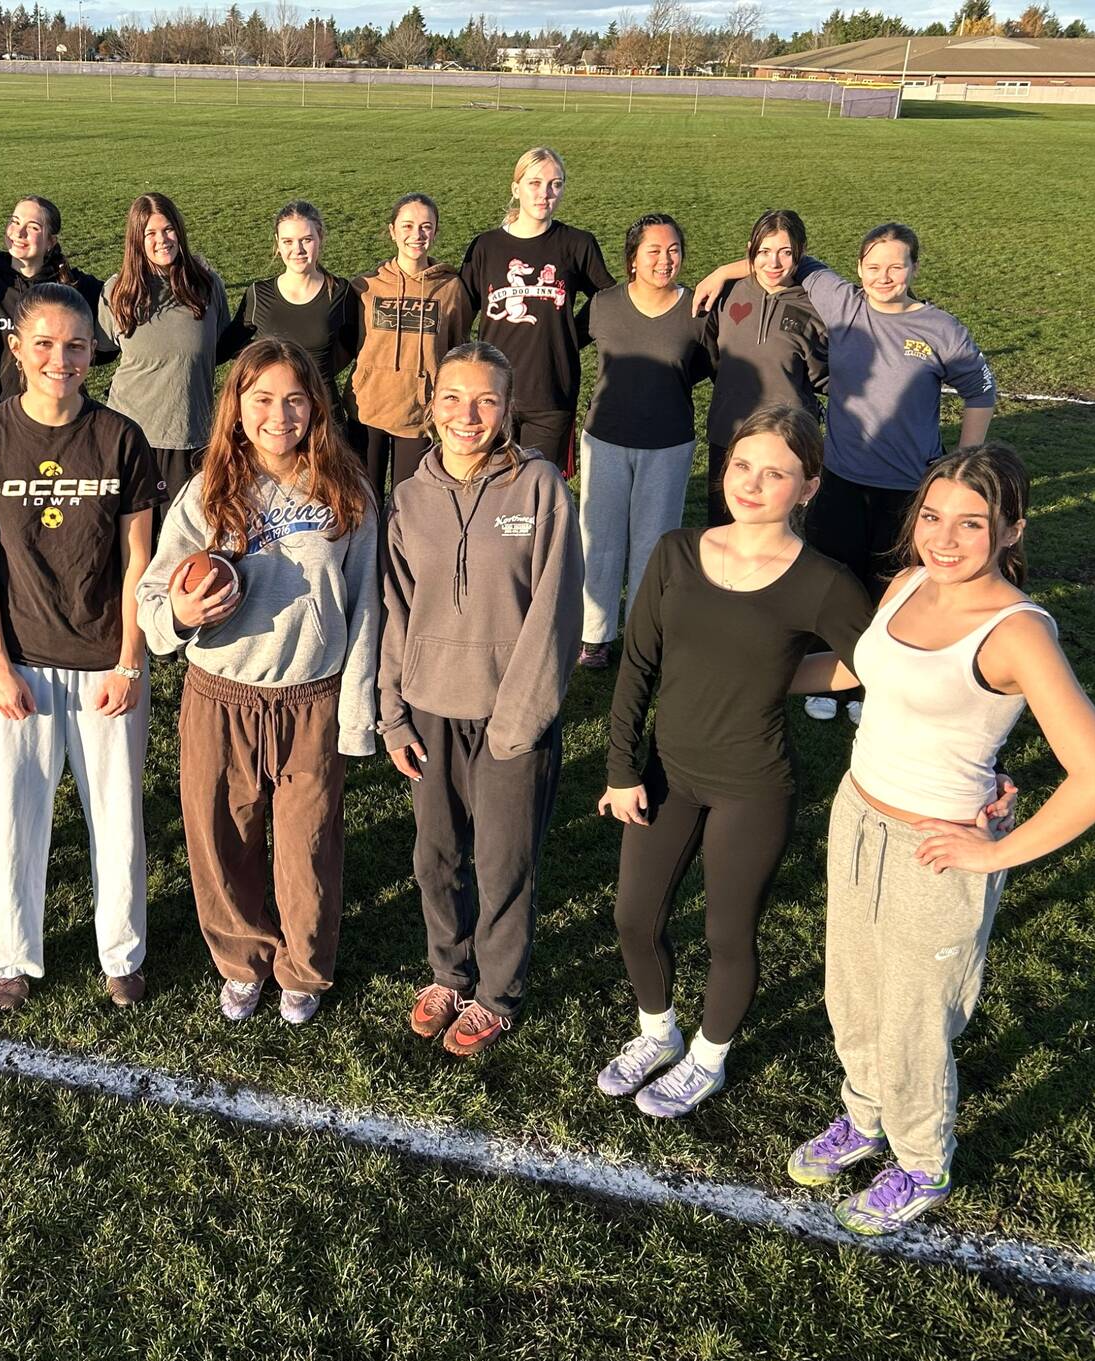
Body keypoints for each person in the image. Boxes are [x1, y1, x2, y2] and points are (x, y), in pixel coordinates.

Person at [784, 443, 1095, 1235]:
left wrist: (992, 853)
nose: (944, 538)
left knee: (913, 1015)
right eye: (932, 517)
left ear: (1011, 532)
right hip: (857, 813)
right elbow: (862, 669)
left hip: (936, 845)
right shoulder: (908, 583)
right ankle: (864, 1117)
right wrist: (746, 675)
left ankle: (920, 1161)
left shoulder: (1017, 633)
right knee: (852, 990)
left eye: (971, 524)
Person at [595, 405, 872, 1119]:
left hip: (754, 784)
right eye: (742, 466)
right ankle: (657, 1033)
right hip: (666, 772)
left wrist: (779, 675)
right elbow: (637, 669)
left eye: (775, 473)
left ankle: (708, 1060)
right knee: (634, 916)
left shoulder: (823, 581)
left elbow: (871, 664)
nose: (751, 484)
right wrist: (622, 770)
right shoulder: (678, 552)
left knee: (727, 933)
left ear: (807, 487)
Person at [137, 338, 379, 1026]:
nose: (280, 414)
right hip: (221, 694)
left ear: (316, 408)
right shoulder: (206, 491)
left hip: (312, 696)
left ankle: (301, 969)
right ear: (236, 408)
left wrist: (356, 714)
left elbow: (368, 607)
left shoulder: (347, 490)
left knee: (308, 846)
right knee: (223, 838)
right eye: (263, 399)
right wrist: (180, 613)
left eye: (295, 399)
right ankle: (243, 960)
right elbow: (154, 602)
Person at [0, 283, 159, 1012]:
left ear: (92, 352)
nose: (60, 359)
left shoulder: (120, 436)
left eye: (75, 346)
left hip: (106, 662)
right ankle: (9, 956)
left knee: (117, 819)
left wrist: (131, 660)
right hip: (21, 664)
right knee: (12, 815)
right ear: (16, 348)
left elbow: (140, 560)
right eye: (44, 344)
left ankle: (121, 954)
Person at [697, 223, 997, 722]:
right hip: (841, 477)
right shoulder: (841, 301)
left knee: (889, 586)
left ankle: (874, 685)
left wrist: (962, 464)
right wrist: (719, 273)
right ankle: (829, 679)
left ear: (914, 269)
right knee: (834, 581)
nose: (884, 276)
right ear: (858, 269)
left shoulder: (941, 329)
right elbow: (780, 261)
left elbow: (980, 392)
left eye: (896, 266)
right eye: (874, 266)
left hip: (906, 487)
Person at [378, 341, 583, 1057]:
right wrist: (394, 711)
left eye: (486, 400)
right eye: (454, 399)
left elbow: (557, 613)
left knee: (502, 864)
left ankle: (496, 994)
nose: (469, 414)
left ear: (508, 407)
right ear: (431, 406)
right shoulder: (408, 497)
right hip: (431, 711)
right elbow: (396, 611)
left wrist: (521, 721)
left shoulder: (539, 488)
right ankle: (449, 973)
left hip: (510, 719)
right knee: (435, 860)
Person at [575, 214, 713, 671]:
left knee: (654, 545)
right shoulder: (603, 305)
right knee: (600, 540)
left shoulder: (697, 309)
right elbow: (561, 347)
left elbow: (709, 366)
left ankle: (642, 634)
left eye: (673, 250)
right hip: (606, 438)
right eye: (653, 250)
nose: (664, 259)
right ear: (632, 258)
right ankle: (594, 636)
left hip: (669, 443)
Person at [459, 147, 616, 477]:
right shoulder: (486, 246)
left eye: (555, 184)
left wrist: (573, 333)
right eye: (534, 183)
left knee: (539, 489)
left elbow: (609, 298)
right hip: (494, 392)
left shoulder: (577, 244)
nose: (545, 194)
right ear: (515, 188)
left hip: (551, 390)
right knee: (490, 485)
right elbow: (459, 310)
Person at [99, 192, 229, 520]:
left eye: (168, 229)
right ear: (136, 240)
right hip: (132, 438)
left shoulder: (208, 286)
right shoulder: (118, 291)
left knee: (186, 543)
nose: (162, 240)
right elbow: (96, 350)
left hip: (190, 436)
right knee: (132, 544)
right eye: (150, 234)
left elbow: (221, 345)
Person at [696, 209, 826, 532]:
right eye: (764, 251)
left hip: (787, 443)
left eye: (786, 252)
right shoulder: (726, 293)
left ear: (801, 254)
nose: (774, 263)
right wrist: (723, 273)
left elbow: (824, 374)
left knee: (780, 538)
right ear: (751, 250)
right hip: (730, 436)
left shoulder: (816, 304)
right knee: (723, 532)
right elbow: (713, 356)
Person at [350, 193, 475, 495]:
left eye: (425, 227)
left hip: (420, 414)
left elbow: (457, 351)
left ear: (436, 231)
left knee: (408, 504)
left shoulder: (450, 288)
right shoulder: (365, 287)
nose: (416, 235)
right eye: (407, 226)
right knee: (362, 502)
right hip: (368, 409)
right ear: (392, 230)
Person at [0, 194, 116, 412]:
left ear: (51, 241)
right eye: (14, 222)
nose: (19, 232)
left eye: (33, 227)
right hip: (0, 416)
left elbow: (125, 302)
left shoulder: (77, 287)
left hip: (63, 414)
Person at [218, 200, 359, 418]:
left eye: (306, 240)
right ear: (277, 243)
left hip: (323, 413)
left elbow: (351, 346)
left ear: (320, 237)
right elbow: (225, 348)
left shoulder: (340, 292)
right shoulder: (258, 294)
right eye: (288, 241)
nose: (298, 250)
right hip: (275, 417)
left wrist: (314, 375)